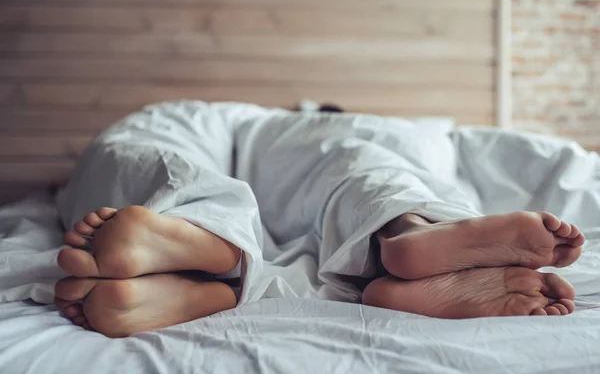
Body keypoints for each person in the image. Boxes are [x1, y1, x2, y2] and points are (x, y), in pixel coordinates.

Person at [53, 102, 585, 338]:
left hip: (254, 147)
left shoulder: (250, 121)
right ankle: (408, 230)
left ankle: (209, 247)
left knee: (145, 159)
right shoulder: (360, 128)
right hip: (338, 152)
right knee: (367, 164)